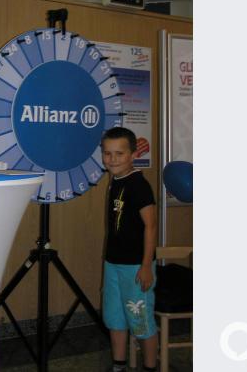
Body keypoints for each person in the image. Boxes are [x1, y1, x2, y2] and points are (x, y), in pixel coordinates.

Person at [101, 127, 158, 372]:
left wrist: (146, 266)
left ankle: (149, 367)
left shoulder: (139, 185)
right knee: (115, 319)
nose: (112, 159)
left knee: (141, 321)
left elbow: (151, 226)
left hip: (136, 266)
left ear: (133, 155)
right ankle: (119, 365)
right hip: (112, 263)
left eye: (119, 154)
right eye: (107, 154)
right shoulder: (115, 181)